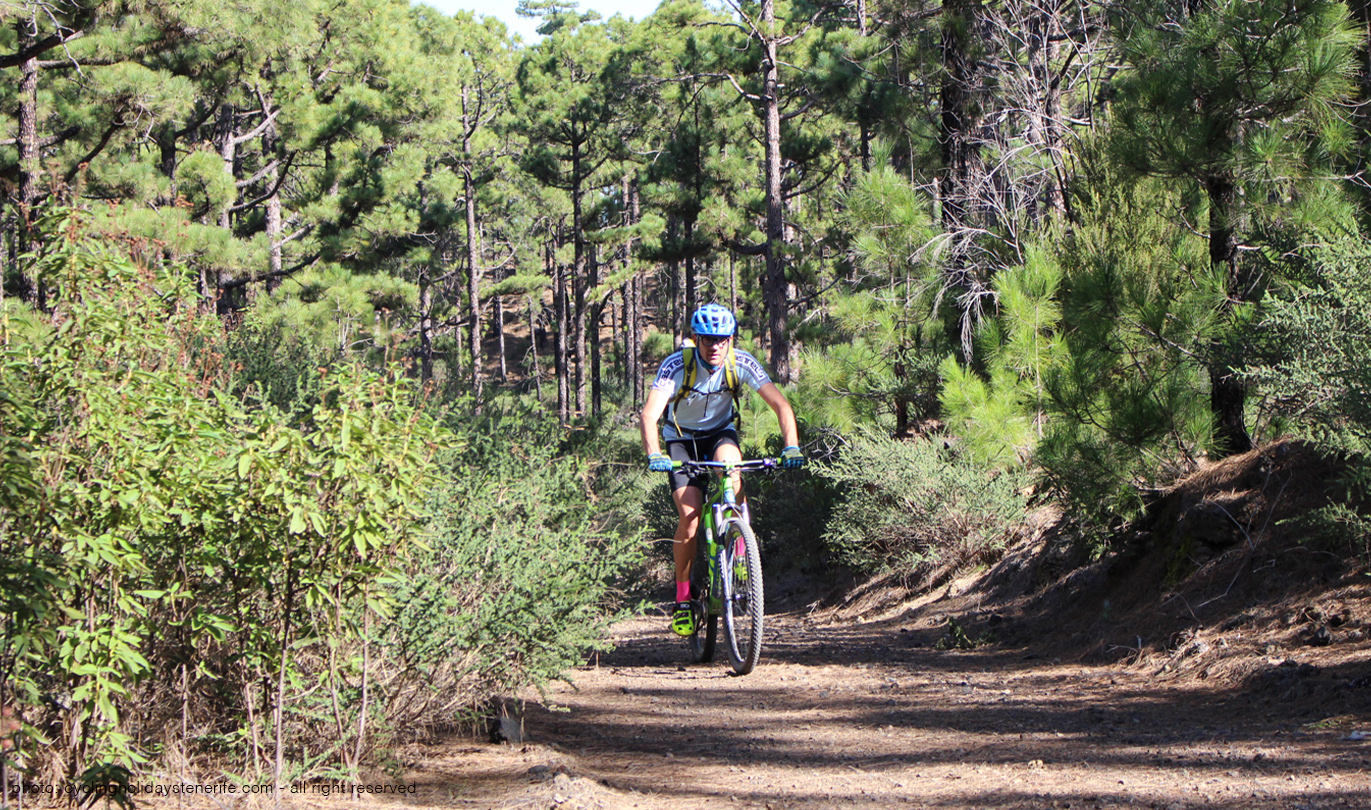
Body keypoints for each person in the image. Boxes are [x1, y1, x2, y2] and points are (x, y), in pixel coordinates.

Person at [640, 303, 804, 637]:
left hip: (719, 433)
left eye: (721, 340)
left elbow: (781, 405)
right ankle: (683, 597)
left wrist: (791, 446)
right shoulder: (676, 366)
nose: (714, 347)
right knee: (690, 517)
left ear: (730, 340)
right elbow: (649, 415)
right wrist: (654, 453)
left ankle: (740, 549)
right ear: (696, 339)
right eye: (707, 340)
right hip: (682, 440)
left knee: (732, 472)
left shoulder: (740, 362)